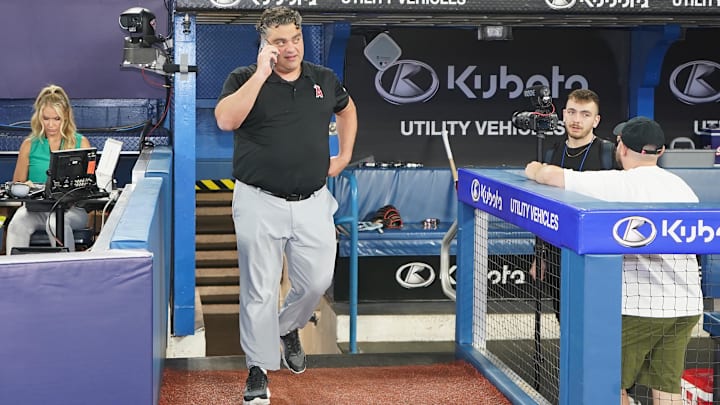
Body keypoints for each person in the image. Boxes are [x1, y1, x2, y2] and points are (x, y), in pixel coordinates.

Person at [214, 6, 357, 405]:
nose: (290, 47)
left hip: (312, 200)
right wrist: (261, 73)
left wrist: (344, 155)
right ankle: (258, 371)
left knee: (317, 280)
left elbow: (347, 110)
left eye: (295, 38)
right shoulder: (243, 78)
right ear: (265, 44)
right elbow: (226, 120)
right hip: (259, 201)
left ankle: (286, 326)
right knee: (259, 290)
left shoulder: (323, 79)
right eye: (280, 41)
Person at [525, 116, 703, 405]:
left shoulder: (617, 183)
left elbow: (549, 176)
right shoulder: (682, 187)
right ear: (661, 151)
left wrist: (533, 166)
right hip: (686, 306)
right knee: (667, 389)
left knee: (608, 387)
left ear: (621, 148)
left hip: (641, 307)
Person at [530, 88, 616, 322]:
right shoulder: (551, 154)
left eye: (585, 114)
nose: (577, 120)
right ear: (564, 115)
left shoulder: (609, 154)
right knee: (564, 319)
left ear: (596, 120)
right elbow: (544, 209)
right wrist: (541, 256)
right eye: (572, 112)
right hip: (560, 255)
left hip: (599, 253)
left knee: (598, 320)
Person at [6, 84, 91, 254]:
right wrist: (26, 186)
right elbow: (17, 184)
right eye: (46, 118)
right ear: (39, 118)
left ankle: (67, 273)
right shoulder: (29, 145)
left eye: (56, 119)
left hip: (72, 211)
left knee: (54, 223)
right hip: (37, 209)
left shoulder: (80, 143)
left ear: (65, 117)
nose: (51, 124)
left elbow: (88, 186)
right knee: (17, 222)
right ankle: (14, 276)